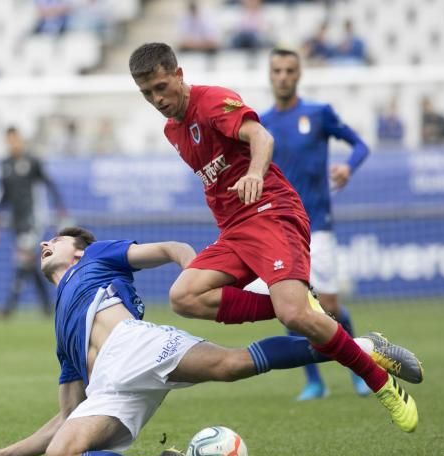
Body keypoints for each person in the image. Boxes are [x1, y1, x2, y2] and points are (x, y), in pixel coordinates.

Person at [0, 227, 423, 456]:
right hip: (113, 389)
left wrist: (191, 268)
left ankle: (359, 347)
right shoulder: (61, 330)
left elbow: (172, 247)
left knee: (233, 365)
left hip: (134, 346)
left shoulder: (96, 260)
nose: (45, 243)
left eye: (57, 240)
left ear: (77, 252)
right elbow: (68, 414)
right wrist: (7, 455)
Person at [127, 42, 417, 430]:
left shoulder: (212, 101)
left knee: (294, 314)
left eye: (161, 87)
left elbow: (262, 138)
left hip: (271, 212)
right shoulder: (172, 130)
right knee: (183, 296)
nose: (157, 98)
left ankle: (380, 382)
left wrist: (254, 174)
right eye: (147, 93)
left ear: (178, 75)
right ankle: (318, 315)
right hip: (235, 231)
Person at [259, 48, 371, 400]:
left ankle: (359, 369)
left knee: (330, 307)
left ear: (299, 74)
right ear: (269, 74)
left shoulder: (318, 114)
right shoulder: (261, 124)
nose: (283, 77)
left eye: (289, 70)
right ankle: (314, 382)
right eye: (277, 70)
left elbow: (360, 145)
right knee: (288, 308)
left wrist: (348, 167)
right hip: (279, 228)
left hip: (317, 224)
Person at [0, 127, 68, 318]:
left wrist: (60, 207)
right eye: (10, 140)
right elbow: (5, 195)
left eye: (16, 139)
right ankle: (48, 307)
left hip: (34, 218)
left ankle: (8, 308)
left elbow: (49, 183)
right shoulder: (4, 165)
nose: (13, 143)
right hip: (16, 221)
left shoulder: (32, 161)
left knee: (23, 259)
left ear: (21, 140)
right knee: (29, 264)